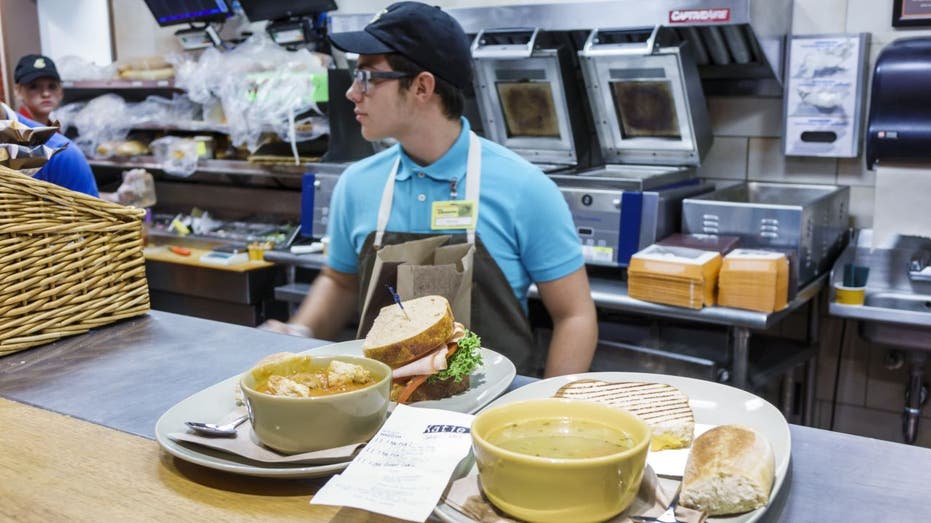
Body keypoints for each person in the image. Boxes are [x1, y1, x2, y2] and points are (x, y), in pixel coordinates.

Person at [262, 1, 597, 377]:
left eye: (368, 77)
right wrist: (299, 332)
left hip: (490, 417)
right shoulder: (357, 184)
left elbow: (574, 314)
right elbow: (339, 282)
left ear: (422, 86)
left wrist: (546, 408)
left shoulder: (525, 188)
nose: (352, 93)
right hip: (380, 414)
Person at [13, 54, 63, 126]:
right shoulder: (14, 133)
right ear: (18, 91)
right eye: (34, 87)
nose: (46, 94)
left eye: (52, 86)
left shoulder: (55, 131)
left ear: (61, 91)